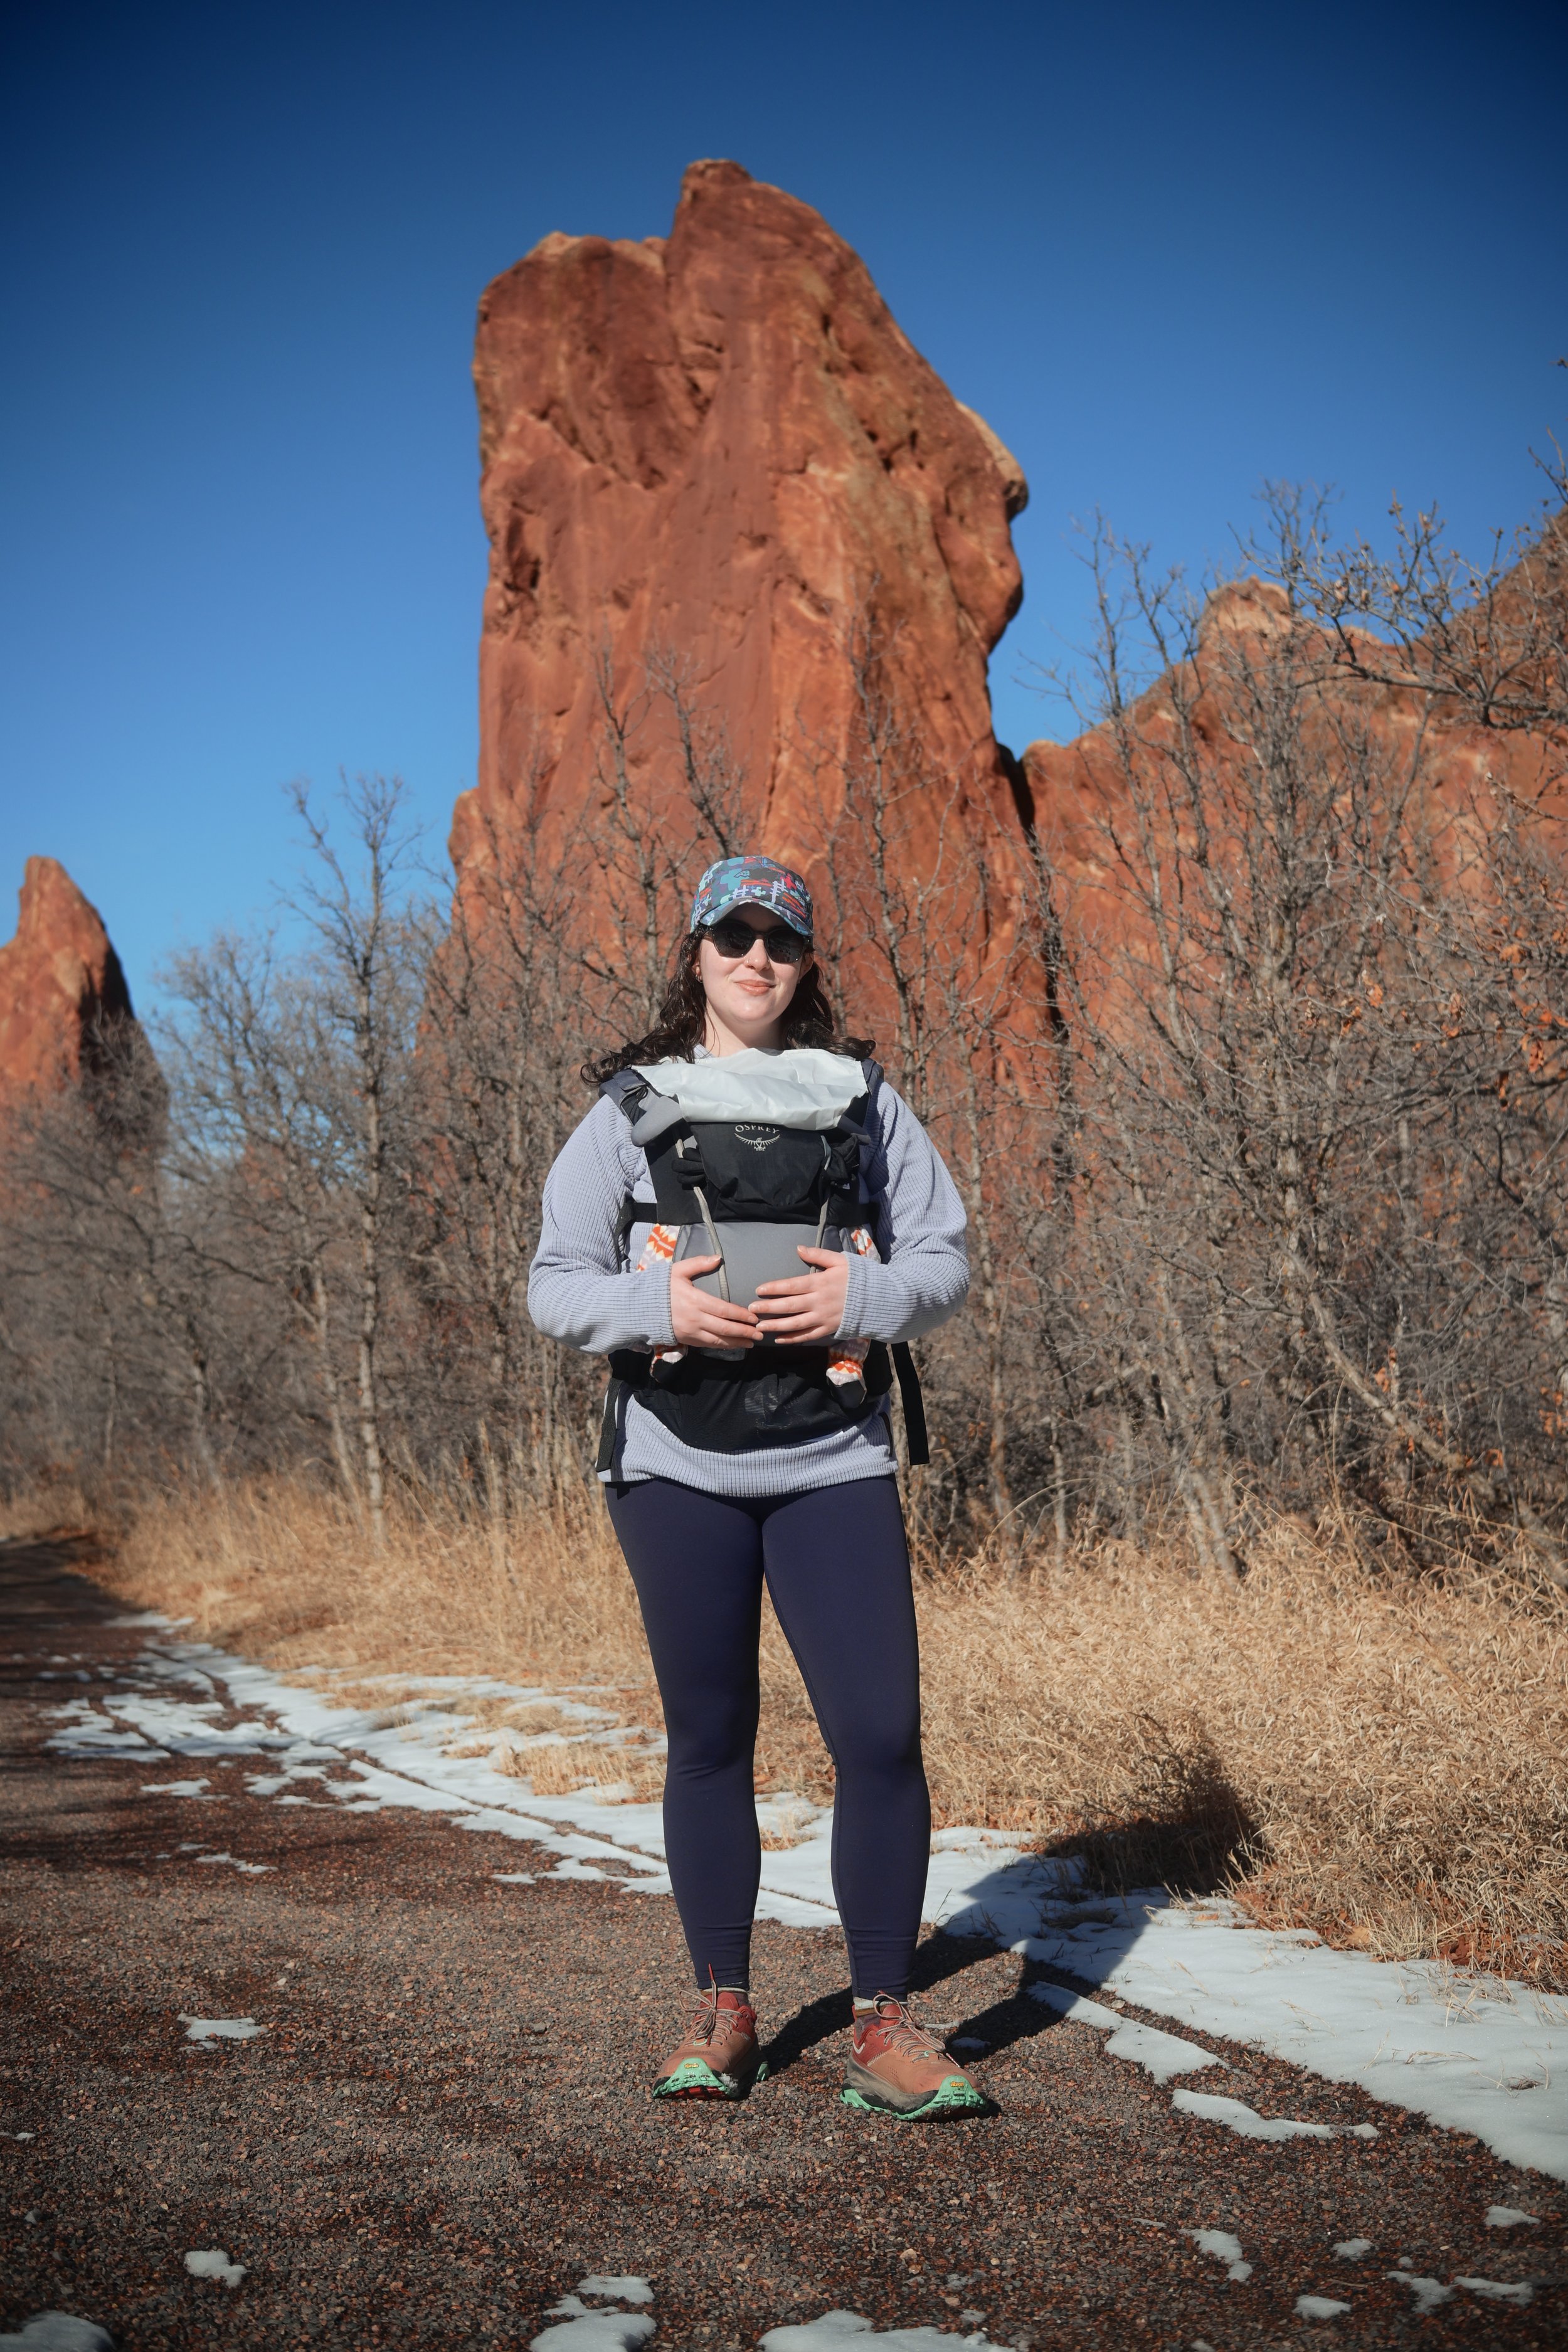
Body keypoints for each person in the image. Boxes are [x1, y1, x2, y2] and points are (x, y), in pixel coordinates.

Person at [527, 854, 983, 2120]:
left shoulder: (858, 1098)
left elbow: (942, 1259)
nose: (753, 959)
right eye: (730, 937)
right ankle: (722, 2011)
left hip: (832, 1455)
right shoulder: (630, 1106)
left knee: (880, 1739)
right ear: (694, 954)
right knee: (710, 1739)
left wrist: (865, 1293)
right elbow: (553, 1283)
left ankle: (881, 2025)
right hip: (673, 1464)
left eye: (778, 942)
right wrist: (653, 1304)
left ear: (804, 963)